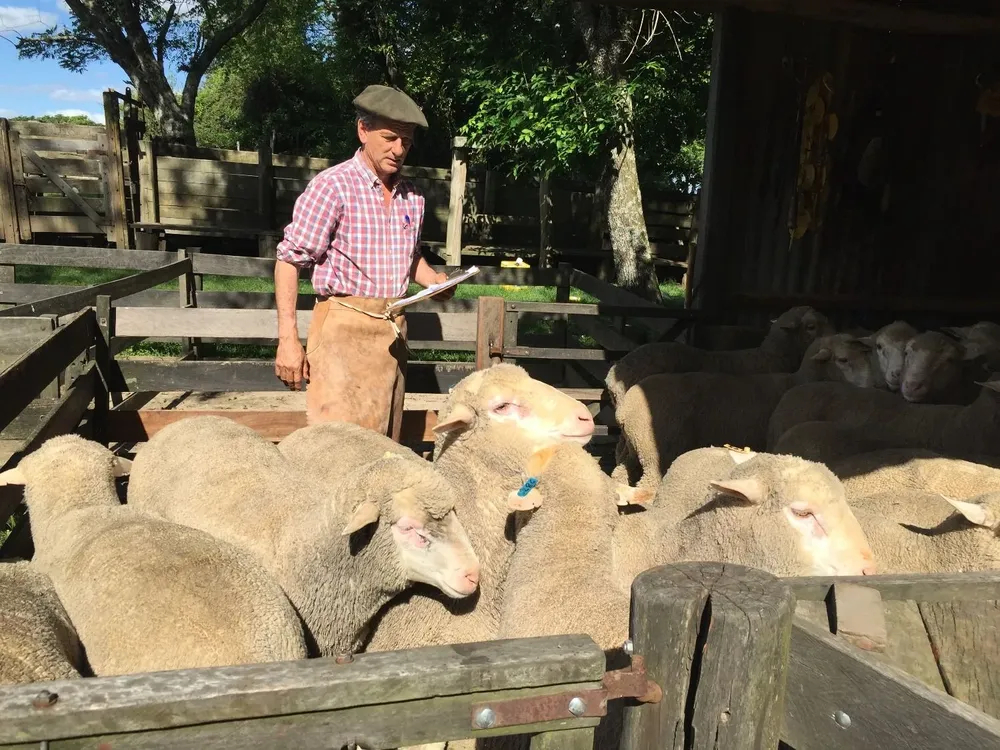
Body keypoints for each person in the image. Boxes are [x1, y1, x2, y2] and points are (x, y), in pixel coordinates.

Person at [273, 84, 455, 441]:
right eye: (389, 138)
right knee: (338, 448)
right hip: (343, 335)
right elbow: (289, 261)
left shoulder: (412, 197)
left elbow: (407, 255)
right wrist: (288, 340)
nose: (399, 149)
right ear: (363, 130)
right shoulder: (333, 187)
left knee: (386, 445)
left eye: (406, 141)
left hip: (391, 337)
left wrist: (433, 279)